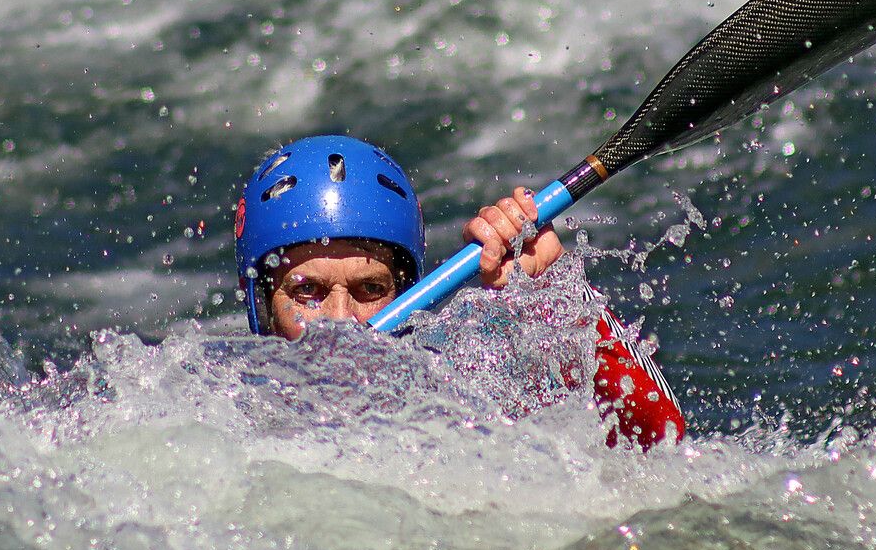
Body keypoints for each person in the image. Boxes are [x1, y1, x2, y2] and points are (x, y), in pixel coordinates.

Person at [233, 134, 685, 450]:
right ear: (262, 305)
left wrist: (555, 297)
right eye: (307, 291)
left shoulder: (465, 407)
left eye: (370, 288)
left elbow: (659, 442)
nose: (341, 322)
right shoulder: (214, 415)